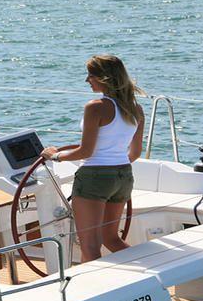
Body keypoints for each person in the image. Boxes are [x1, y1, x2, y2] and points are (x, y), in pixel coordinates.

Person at [40, 54, 145, 263]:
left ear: (104, 78)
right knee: (111, 239)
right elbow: (135, 153)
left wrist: (55, 156)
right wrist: (113, 168)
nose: (87, 80)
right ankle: (150, 267)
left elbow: (85, 152)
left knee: (90, 247)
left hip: (94, 178)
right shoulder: (136, 109)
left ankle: (96, 284)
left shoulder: (95, 107)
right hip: (124, 176)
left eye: (90, 75)